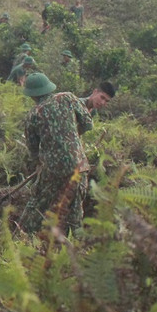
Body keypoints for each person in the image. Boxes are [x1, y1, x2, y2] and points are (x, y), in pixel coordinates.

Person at [19, 72, 93, 235]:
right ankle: (75, 248)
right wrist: (72, 135)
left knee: (38, 203)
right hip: (79, 166)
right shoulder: (68, 98)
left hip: (53, 170)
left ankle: (22, 235)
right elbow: (88, 124)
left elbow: (32, 149)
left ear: (32, 95)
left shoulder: (33, 114)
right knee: (74, 212)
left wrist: (39, 165)